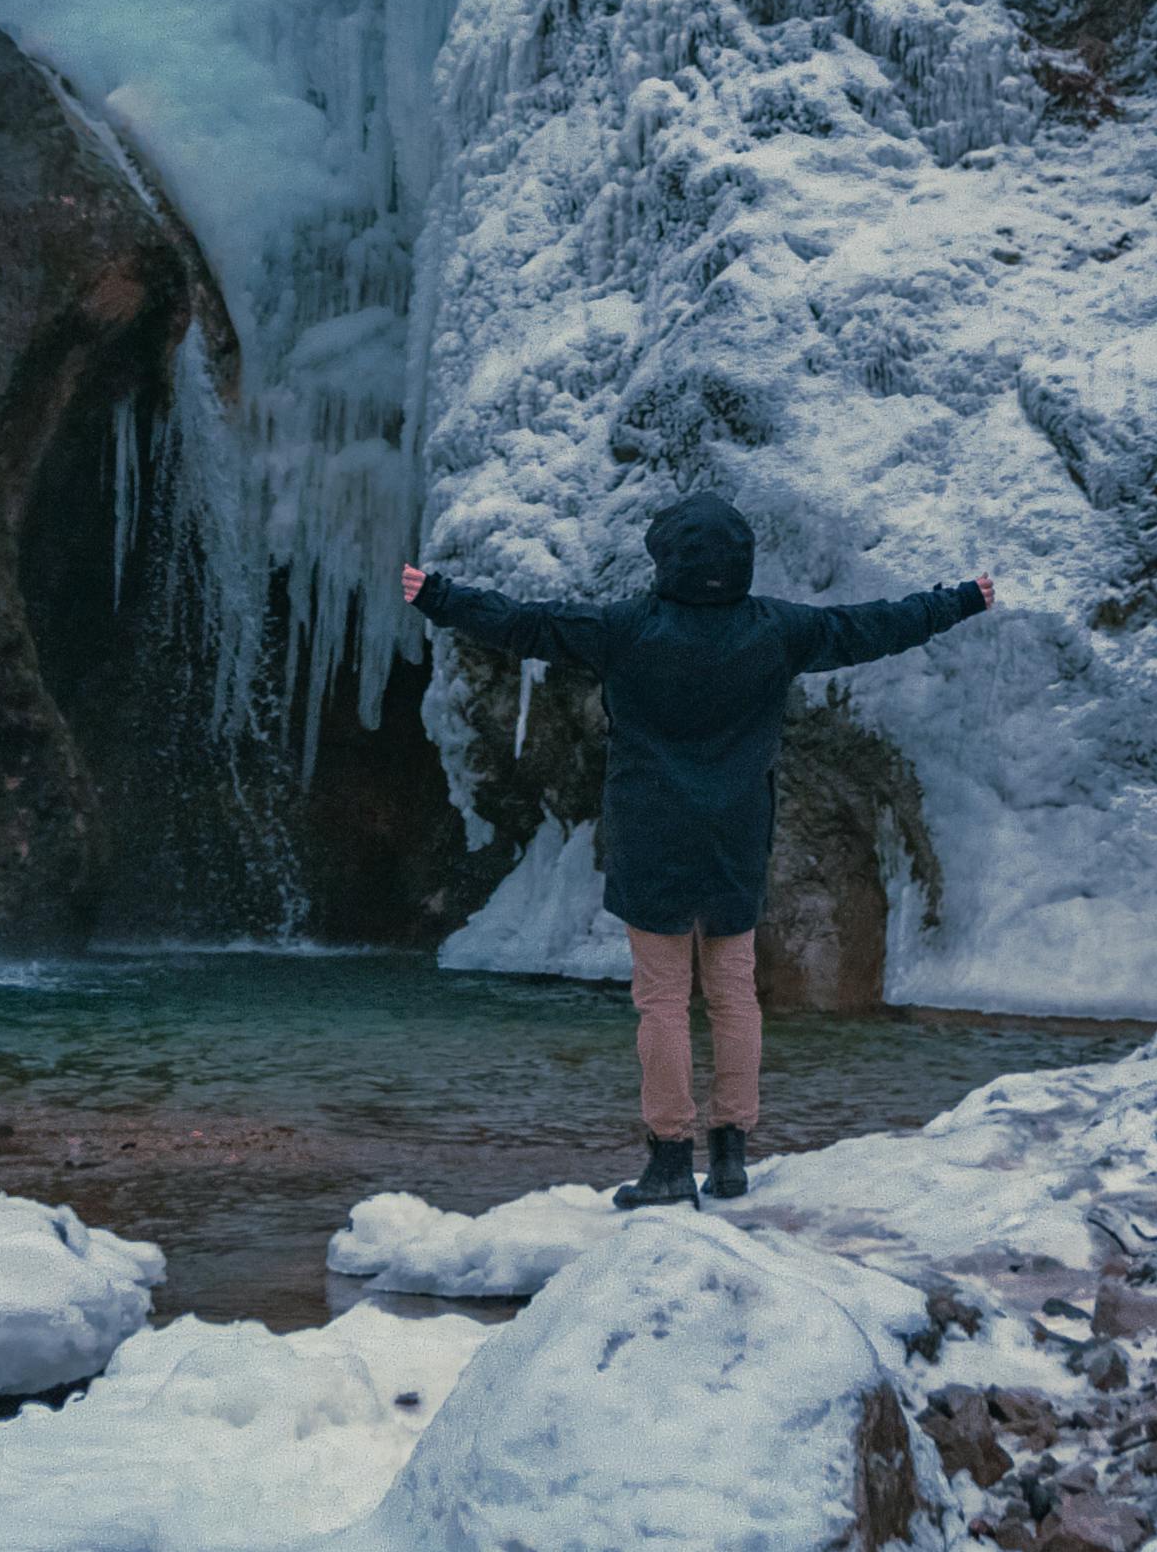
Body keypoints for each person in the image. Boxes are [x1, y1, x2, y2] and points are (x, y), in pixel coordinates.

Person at [402, 493, 994, 1211]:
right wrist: (959, 599)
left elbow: (526, 625)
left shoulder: (625, 628)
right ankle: (733, 1154)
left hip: (650, 831)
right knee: (733, 994)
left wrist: (438, 595)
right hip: (736, 834)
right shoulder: (777, 628)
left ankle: (669, 1160)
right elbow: (875, 626)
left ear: (665, 557)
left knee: (661, 1002)